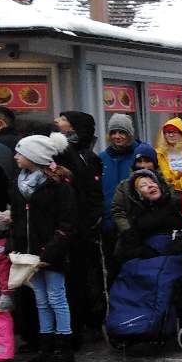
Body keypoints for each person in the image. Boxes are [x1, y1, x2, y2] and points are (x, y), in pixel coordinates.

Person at [11, 130, 78, 362]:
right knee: (40, 299)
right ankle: (46, 346)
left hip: (51, 253)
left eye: (20, 153)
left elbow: (67, 224)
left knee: (56, 297)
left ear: (34, 156)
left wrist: (48, 252)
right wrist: (18, 249)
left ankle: (64, 346)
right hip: (29, 254)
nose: (16, 157)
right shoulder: (21, 184)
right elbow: (19, 220)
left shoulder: (59, 186)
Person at [54, 110, 106, 340]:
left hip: (82, 226)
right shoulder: (57, 150)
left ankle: (88, 321)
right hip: (65, 223)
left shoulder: (86, 155)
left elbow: (93, 192)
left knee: (84, 275)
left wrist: (93, 219)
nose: (57, 121)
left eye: (63, 119)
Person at [99, 114, 156, 240]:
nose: (117, 136)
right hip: (108, 224)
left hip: (137, 223)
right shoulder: (102, 158)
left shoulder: (141, 156)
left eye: (122, 132)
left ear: (130, 134)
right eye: (113, 132)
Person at [154, 116, 182, 194]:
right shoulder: (159, 153)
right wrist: (177, 176)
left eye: (174, 132)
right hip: (166, 192)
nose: (171, 135)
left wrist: (177, 183)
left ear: (181, 134)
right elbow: (162, 175)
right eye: (168, 132)